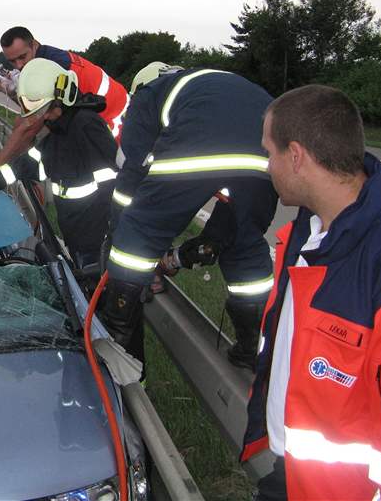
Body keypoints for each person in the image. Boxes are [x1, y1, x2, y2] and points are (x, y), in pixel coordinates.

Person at [241, 85, 381, 501]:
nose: (267, 165)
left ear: (296, 156)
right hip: (290, 473)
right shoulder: (307, 232)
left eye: (269, 153)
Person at [108, 62, 278, 370]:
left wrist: (123, 238)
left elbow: (132, 176)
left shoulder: (147, 95)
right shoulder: (218, 83)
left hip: (203, 146)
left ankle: (117, 333)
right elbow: (229, 221)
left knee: (139, 232)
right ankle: (254, 347)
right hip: (269, 155)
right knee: (245, 243)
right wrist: (208, 241)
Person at [0, 58, 117, 269]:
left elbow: (113, 186)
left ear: (62, 96)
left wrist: (110, 239)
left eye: (46, 109)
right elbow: (29, 164)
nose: (43, 116)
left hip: (95, 239)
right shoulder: (60, 128)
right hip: (75, 232)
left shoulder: (86, 125)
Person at [0, 26, 130, 169]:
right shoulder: (43, 61)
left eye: (22, 57)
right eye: (12, 61)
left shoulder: (53, 68)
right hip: (101, 119)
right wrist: (12, 93)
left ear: (34, 44)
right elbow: (33, 112)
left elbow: (29, 126)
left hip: (117, 125)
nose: (19, 65)